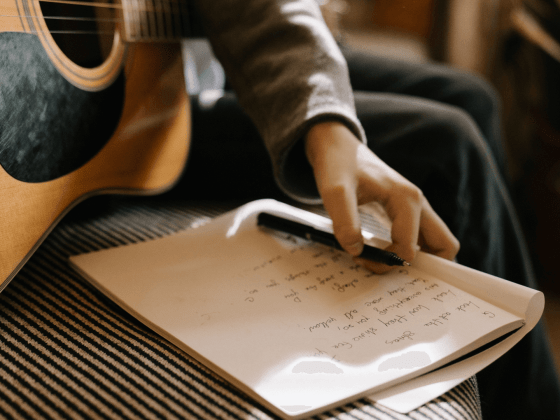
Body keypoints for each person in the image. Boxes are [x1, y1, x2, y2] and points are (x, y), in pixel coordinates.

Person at [174, 0, 560, 418]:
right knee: (448, 144)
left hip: (207, 52)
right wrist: (326, 126)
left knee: (473, 96)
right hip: (163, 107)